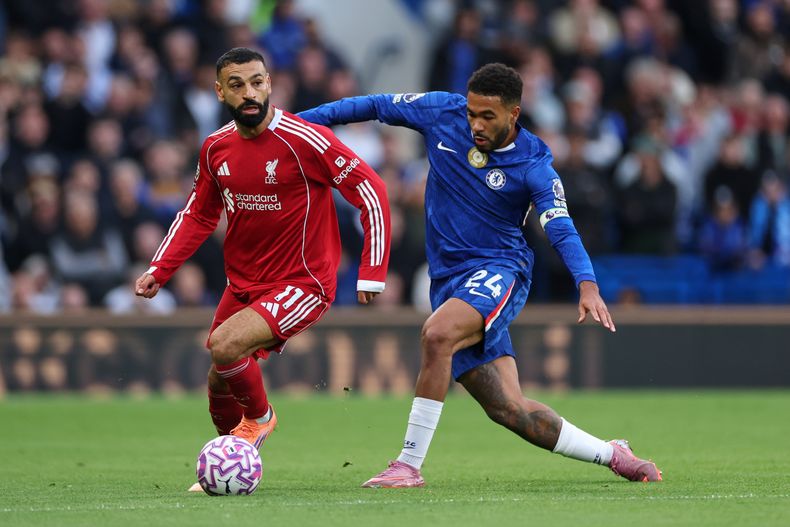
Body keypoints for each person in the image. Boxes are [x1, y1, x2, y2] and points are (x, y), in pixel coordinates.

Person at [299, 63, 661, 487]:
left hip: (501, 269)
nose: (475, 124)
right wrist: (292, 127)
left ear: (514, 114)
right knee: (509, 410)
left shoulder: (534, 163)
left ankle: (407, 465)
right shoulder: (441, 112)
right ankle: (612, 454)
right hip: (448, 281)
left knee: (437, 335)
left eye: (487, 116)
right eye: (472, 113)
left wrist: (587, 282)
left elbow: (558, 224)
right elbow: (373, 105)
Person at [134, 47, 391, 490]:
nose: (249, 93)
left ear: (270, 83)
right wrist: (161, 267)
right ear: (220, 92)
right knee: (218, 380)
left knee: (224, 346)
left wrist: (371, 270)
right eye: (236, 85)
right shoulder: (216, 147)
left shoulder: (304, 138)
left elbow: (370, 189)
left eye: (257, 82)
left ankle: (260, 418)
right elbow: (198, 213)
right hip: (244, 284)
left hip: (303, 282)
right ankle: (233, 463)